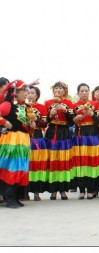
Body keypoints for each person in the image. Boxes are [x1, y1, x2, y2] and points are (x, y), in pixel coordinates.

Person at [0, 80, 36, 208]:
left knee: (21, 169)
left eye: (27, 91)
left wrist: (32, 125)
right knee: (12, 168)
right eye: (24, 91)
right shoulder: (7, 105)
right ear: (15, 92)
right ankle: (9, 198)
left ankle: (16, 196)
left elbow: (28, 125)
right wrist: (4, 122)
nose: (26, 94)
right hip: (11, 140)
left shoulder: (26, 107)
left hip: (23, 141)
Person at [71, 83, 99, 200]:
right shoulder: (74, 106)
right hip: (80, 135)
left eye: (86, 91)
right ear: (78, 93)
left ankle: (91, 189)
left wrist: (92, 114)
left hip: (92, 134)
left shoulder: (95, 104)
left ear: (89, 93)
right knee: (80, 162)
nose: (84, 93)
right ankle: (81, 190)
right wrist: (75, 119)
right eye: (82, 91)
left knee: (92, 162)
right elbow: (70, 121)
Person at [45, 81, 74, 200]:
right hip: (52, 131)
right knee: (53, 160)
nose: (58, 90)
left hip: (64, 132)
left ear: (65, 91)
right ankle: (53, 190)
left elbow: (72, 121)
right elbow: (45, 121)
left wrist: (65, 110)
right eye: (56, 88)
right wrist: (51, 114)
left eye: (61, 88)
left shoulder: (68, 103)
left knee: (63, 160)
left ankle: (63, 189)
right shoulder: (48, 103)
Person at [27, 85, 48, 201]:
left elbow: (45, 124)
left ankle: (36, 192)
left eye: (32, 93)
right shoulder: (22, 107)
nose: (30, 95)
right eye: (28, 93)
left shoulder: (42, 107)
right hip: (25, 137)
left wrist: (35, 120)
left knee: (37, 165)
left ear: (37, 95)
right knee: (27, 165)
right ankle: (24, 192)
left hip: (38, 137)